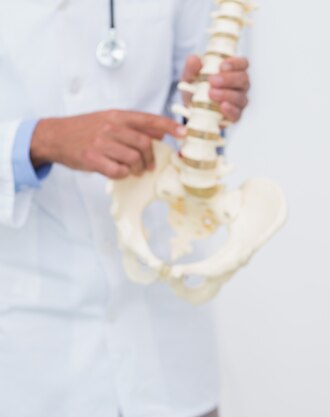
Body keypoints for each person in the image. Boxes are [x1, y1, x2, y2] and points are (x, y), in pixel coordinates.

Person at [0, 2, 251, 416]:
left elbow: (190, 131)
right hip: (32, 347)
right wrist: (42, 139)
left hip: (166, 347)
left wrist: (203, 113)